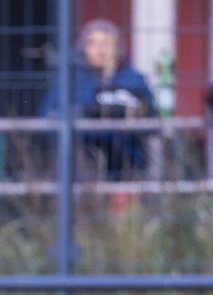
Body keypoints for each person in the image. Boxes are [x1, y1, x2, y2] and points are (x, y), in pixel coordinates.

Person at [40, 18, 157, 178]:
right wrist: (84, 114)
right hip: (81, 163)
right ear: (83, 48)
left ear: (118, 47)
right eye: (92, 43)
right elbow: (47, 117)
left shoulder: (134, 80)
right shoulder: (69, 81)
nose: (100, 50)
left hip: (127, 160)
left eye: (107, 43)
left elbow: (151, 117)